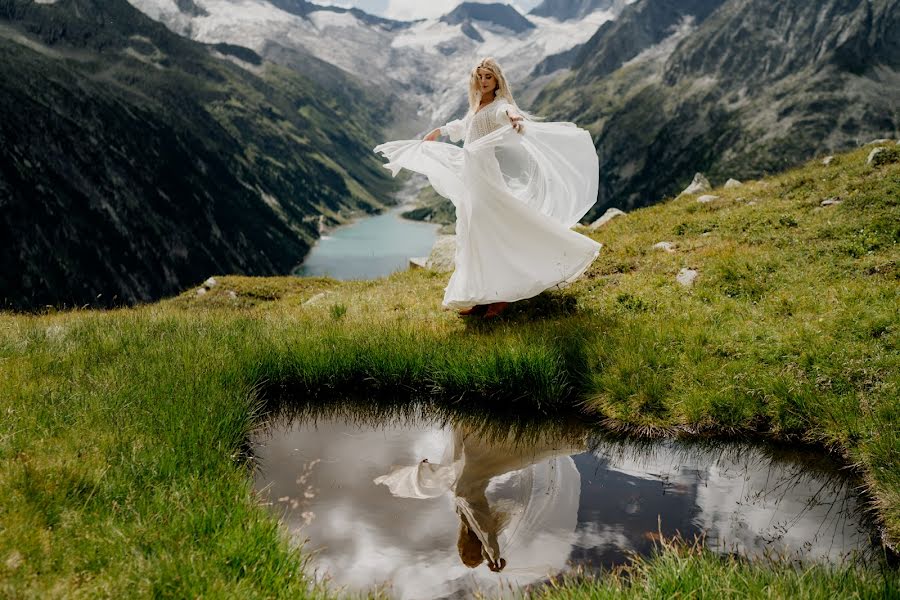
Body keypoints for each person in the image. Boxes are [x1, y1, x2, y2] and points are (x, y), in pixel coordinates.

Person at [374, 58, 601, 318]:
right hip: (471, 175)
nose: (483, 81)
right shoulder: (476, 106)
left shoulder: (499, 105)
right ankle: (481, 295)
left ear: (497, 81)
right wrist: (439, 130)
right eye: (480, 76)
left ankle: (501, 296)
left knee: (493, 230)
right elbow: (464, 126)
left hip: (486, 176)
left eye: (488, 77)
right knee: (473, 232)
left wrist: (514, 116)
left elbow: (506, 113)